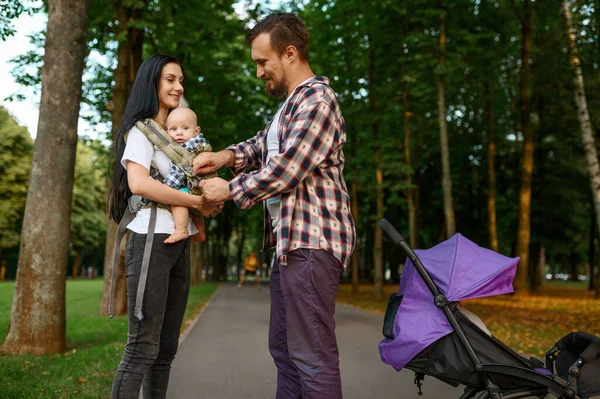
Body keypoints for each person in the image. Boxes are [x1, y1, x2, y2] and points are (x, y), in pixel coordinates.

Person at [193, 13, 356, 398]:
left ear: (290, 53)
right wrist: (223, 157)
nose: (258, 72)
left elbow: (287, 169)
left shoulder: (318, 99)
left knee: (312, 358)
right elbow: (260, 145)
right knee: (285, 352)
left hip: (313, 244)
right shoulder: (289, 106)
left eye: (262, 62)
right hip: (288, 248)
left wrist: (228, 189)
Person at [107, 54, 222, 399]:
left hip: (179, 241)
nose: (178, 86)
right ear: (152, 82)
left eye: (181, 80)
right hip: (150, 240)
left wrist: (208, 200)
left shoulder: (182, 137)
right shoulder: (140, 131)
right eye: (170, 79)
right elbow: (139, 183)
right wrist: (194, 203)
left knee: (166, 349)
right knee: (143, 346)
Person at [163, 107, 207, 244]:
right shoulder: (200, 143)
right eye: (173, 129)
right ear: (166, 132)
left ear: (196, 131)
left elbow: (179, 170)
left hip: (190, 185)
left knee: (178, 199)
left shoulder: (187, 146)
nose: (179, 133)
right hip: (201, 186)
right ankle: (201, 232)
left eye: (185, 128)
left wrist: (167, 187)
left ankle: (181, 230)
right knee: (195, 212)